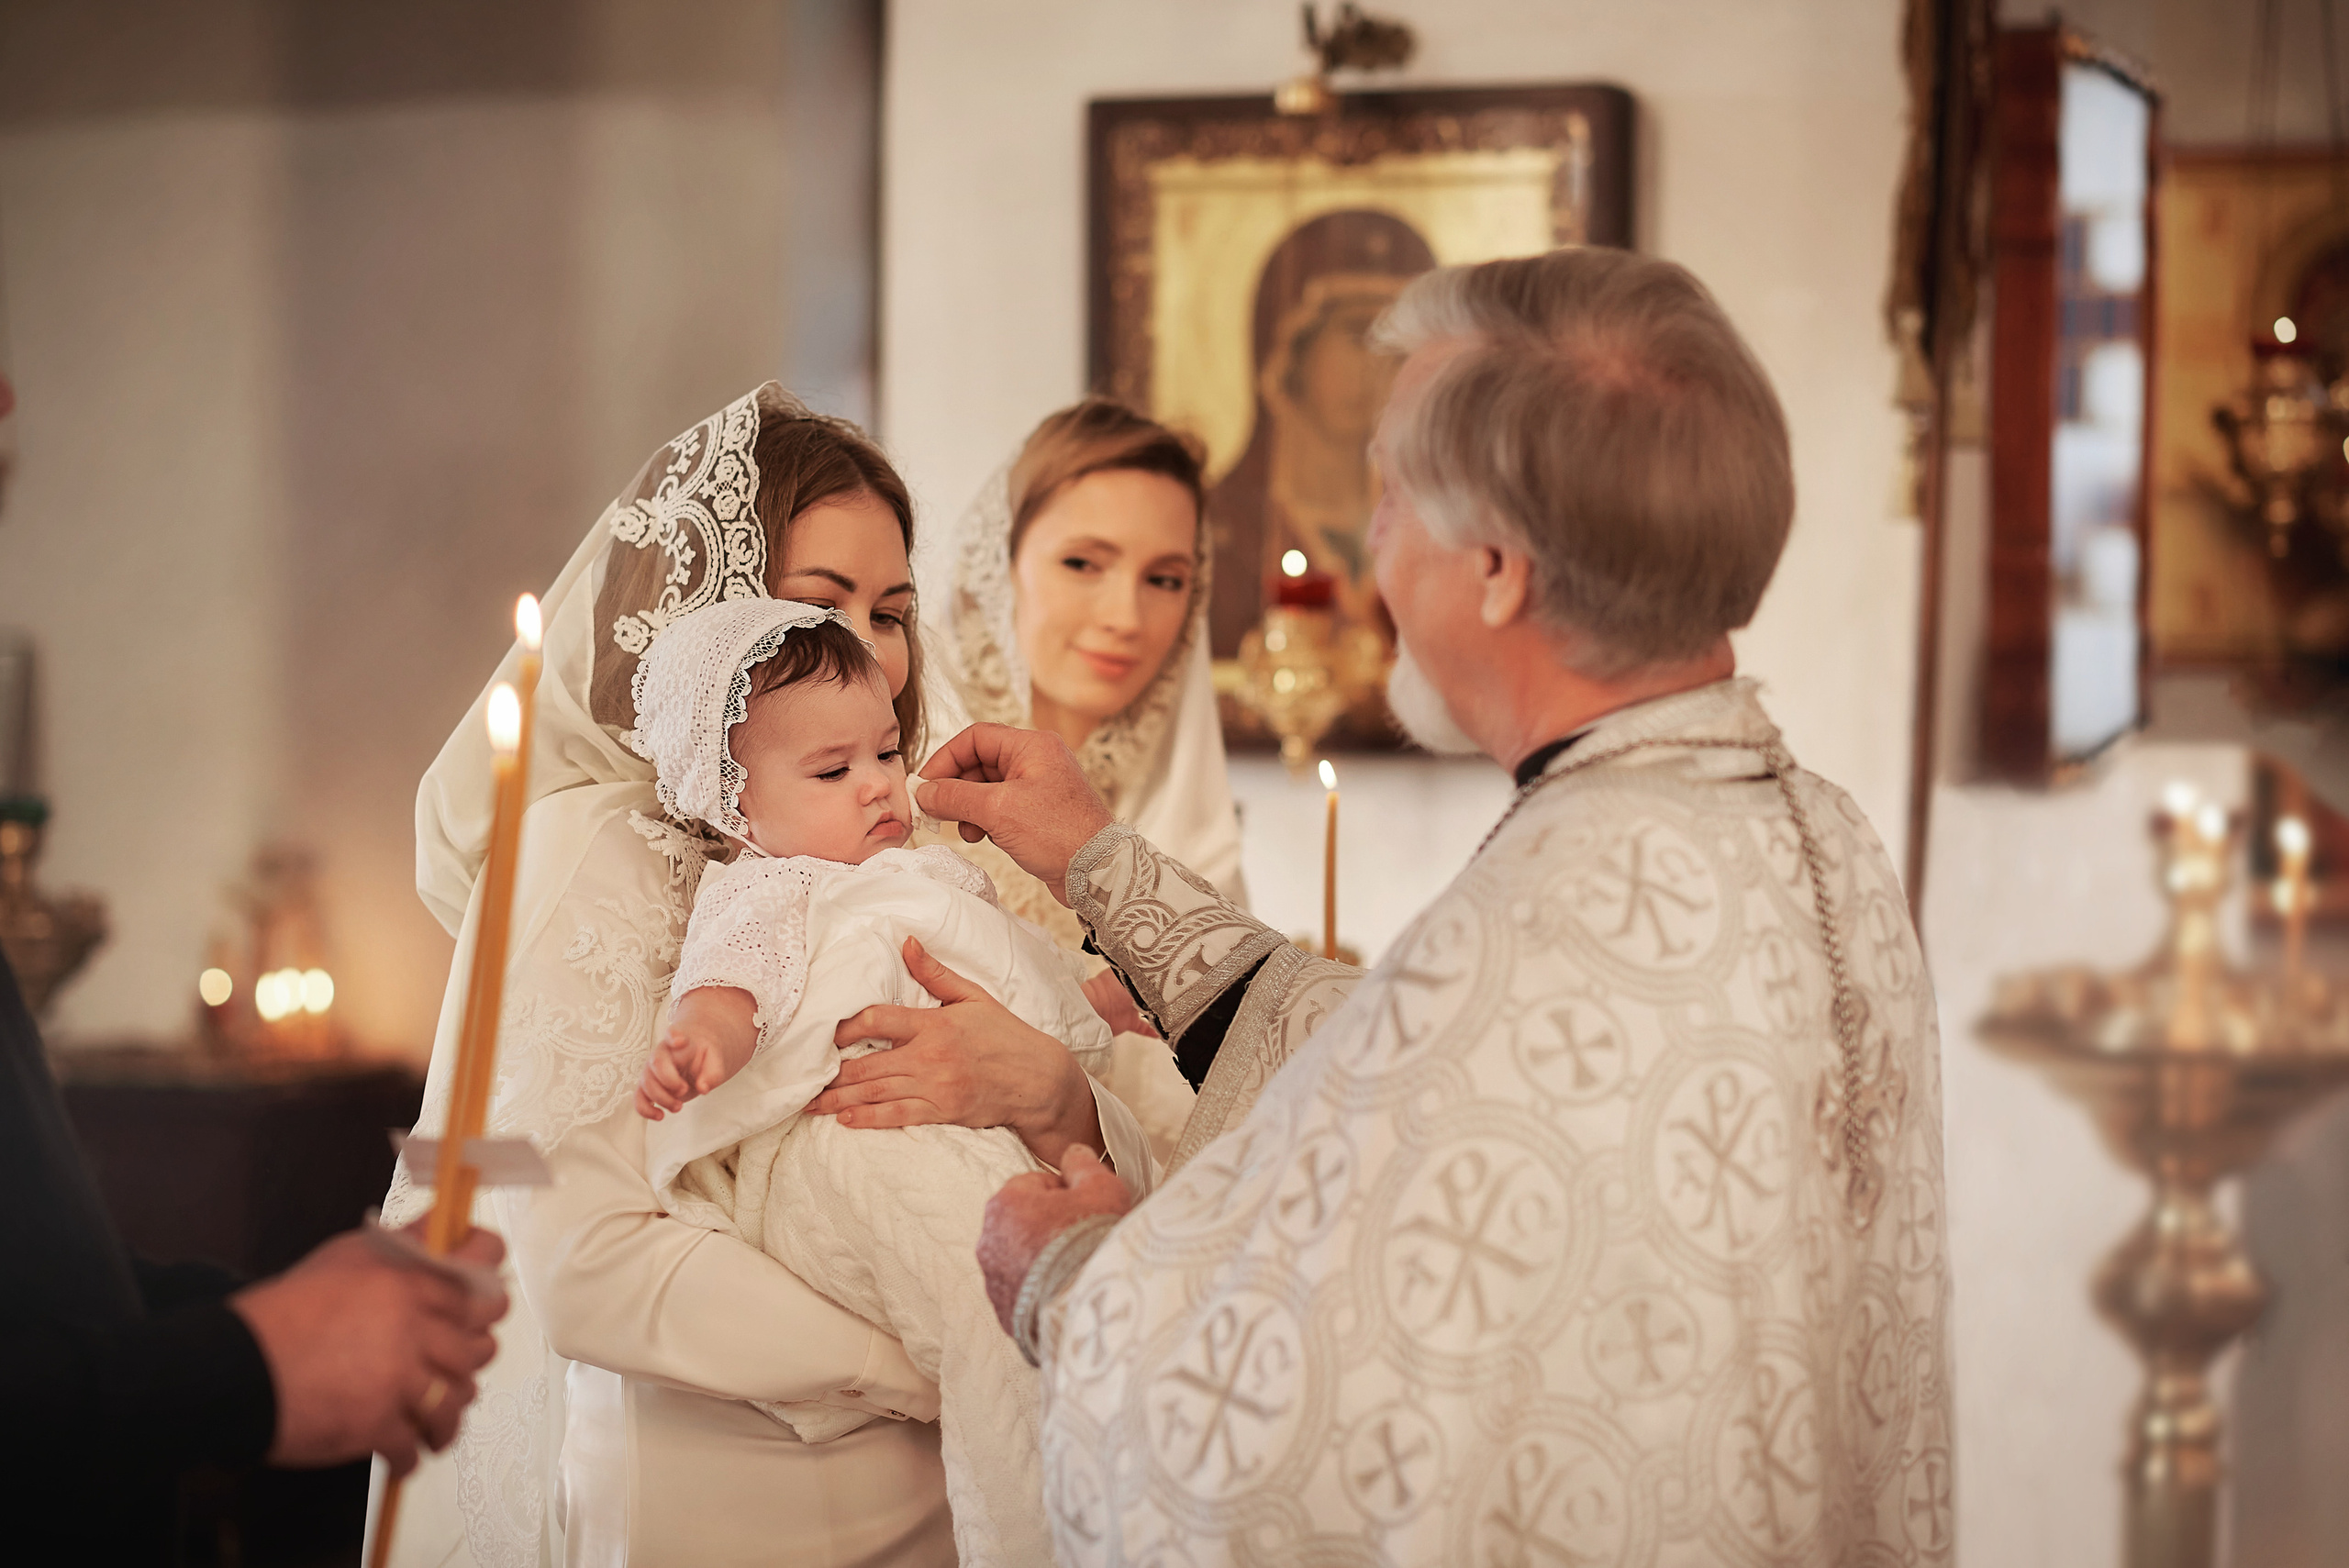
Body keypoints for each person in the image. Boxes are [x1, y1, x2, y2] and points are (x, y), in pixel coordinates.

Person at [927, 249, 1954, 1563]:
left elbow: (1307, 1433)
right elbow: (1381, 1054)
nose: (1373, 557)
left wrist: (1071, 1284)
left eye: (1391, 501)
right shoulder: (1811, 827)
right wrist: (1100, 862)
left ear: (1499, 570)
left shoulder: (1547, 917)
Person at [383, 384, 1140, 1567]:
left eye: (891, 612)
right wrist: (935, 1351)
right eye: (819, 603)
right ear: (699, 618)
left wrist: (1052, 1086)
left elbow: (1072, 1111)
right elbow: (579, 1262)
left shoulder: (889, 851)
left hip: (941, 1478)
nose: (871, 651)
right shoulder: (584, 855)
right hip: (738, 1496)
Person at [623, 596, 1151, 1564]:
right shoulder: (768, 884)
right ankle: (1027, 1534)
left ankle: (1117, 1502)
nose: (876, 787)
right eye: (832, 770)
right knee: (989, 1298)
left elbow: (1006, 963)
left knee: (1070, 1276)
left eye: (882, 753)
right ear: (734, 804)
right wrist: (698, 1044)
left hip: (963, 1118)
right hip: (839, 1135)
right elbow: (727, 987)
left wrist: (1098, 1000)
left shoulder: (927, 872)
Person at [914, 399, 1244, 1158]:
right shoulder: (901, 765)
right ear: (1002, 563)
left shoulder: (1187, 823)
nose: (1126, 615)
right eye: (1084, 563)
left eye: (1165, 579)